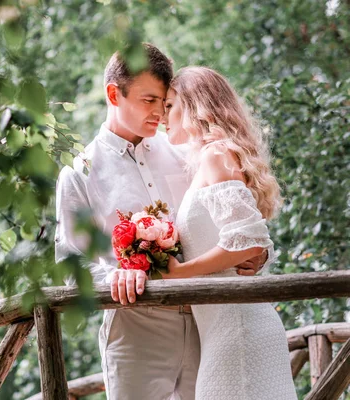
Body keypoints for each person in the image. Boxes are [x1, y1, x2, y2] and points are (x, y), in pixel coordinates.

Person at [55, 44, 267, 400]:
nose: (158, 113)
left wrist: (257, 256)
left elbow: (235, 221)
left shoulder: (188, 151)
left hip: (209, 320)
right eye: (147, 100)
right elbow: (70, 263)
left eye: (163, 102)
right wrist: (116, 276)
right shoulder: (80, 173)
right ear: (113, 94)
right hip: (137, 329)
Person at [162, 66, 297, 399]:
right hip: (227, 329)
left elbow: (248, 242)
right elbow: (251, 242)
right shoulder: (213, 157)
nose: (162, 115)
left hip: (239, 329)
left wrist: (178, 273)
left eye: (168, 106)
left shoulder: (216, 154)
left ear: (193, 106)